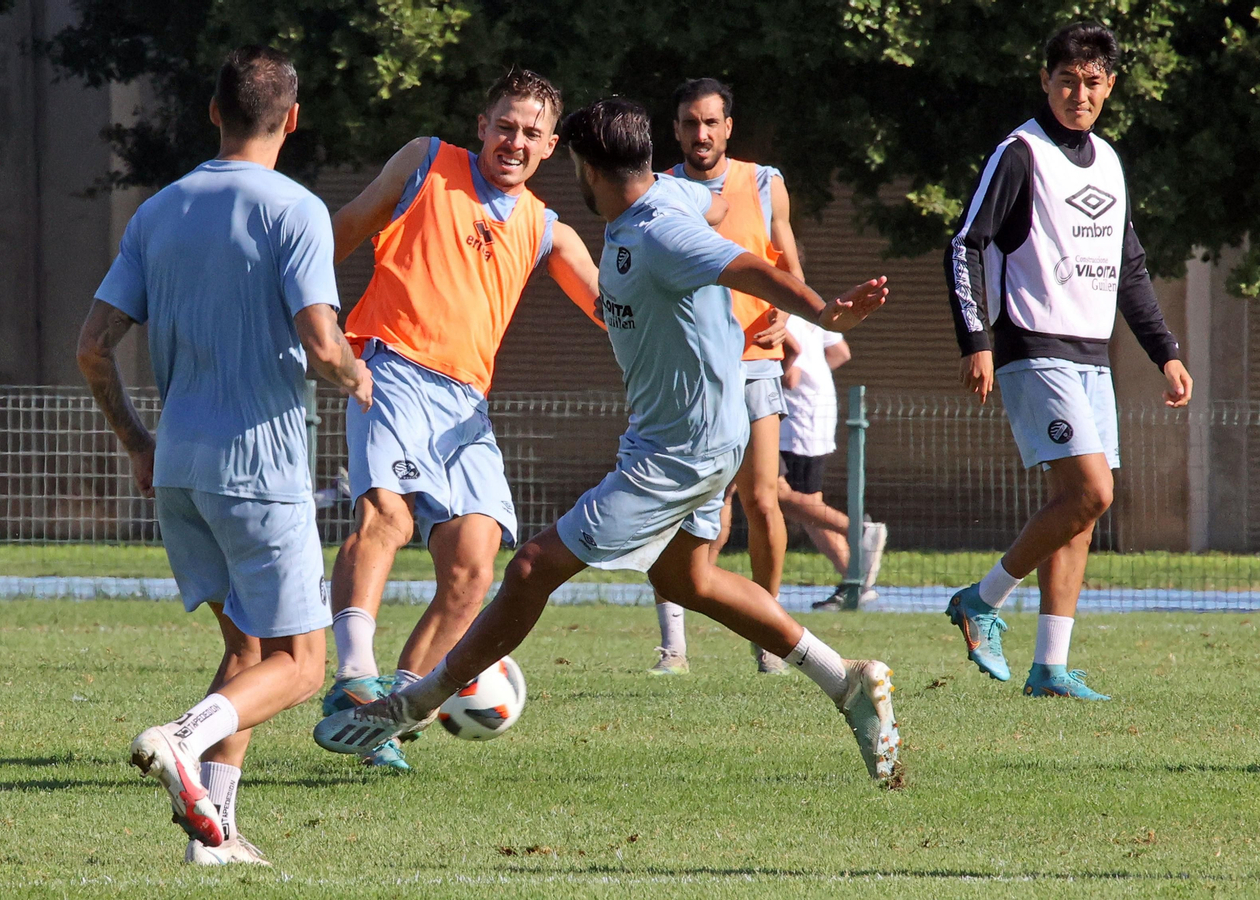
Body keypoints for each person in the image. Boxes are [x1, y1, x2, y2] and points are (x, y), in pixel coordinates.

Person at [314, 98, 903, 784]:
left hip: (677, 452)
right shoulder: (668, 197)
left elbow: (740, 263)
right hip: (701, 437)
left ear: (579, 164)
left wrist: (820, 311)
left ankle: (411, 702)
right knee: (688, 578)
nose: (518, 143)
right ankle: (846, 681)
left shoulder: (656, 232)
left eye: (537, 135)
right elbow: (710, 212)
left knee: (531, 566)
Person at [77, 47, 372, 865]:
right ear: (294, 119)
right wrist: (357, 374)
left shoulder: (158, 211)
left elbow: (93, 348)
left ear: (214, 112)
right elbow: (320, 342)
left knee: (247, 652)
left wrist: (138, 441)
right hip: (261, 472)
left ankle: (216, 836)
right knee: (304, 665)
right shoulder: (297, 209)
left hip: (179, 468)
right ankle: (183, 735)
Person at [320, 69, 603, 771]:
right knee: (388, 515)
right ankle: (355, 676)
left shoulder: (548, 229)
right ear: (482, 124)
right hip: (392, 367)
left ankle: (391, 714)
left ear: (550, 146)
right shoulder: (425, 162)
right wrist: (305, 319)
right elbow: (345, 227)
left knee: (475, 567)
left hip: (466, 406)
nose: (515, 140)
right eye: (505, 125)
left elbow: (614, 311)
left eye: (531, 133)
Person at [944, 22, 1192, 700]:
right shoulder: (1020, 153)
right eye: (1066, 79)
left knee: (1078, 513)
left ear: (1109, 86)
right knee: (1092, 493)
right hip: (1032, 345)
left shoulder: (1109, 163)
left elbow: (1129, 269)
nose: (1078, 93)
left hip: (1091, 355)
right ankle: (982, 600)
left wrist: (1165, 352)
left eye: (1092, 82)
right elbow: (964, 245)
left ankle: (1049, 666)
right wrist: (977, 341)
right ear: (1045, 80)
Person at [650, 78, 798, 676]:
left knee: (762, 499)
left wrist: (787, 314)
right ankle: (674, 646)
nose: (701, 133)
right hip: (689, 370)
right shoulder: (661, 190)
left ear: (728, 127)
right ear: (677, 127)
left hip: (754, 363)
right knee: (686, 504)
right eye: (690, 122)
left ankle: (768, 635)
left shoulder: (764, 182)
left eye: (711, 122)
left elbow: (784, 257)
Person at [774, 316, 889, 611]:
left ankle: (860, 530)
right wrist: (816, 377)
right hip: (814, 413)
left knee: (785, 498)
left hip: (796, 421)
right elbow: (841, 352)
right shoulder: (805, 308)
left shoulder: (775, 312)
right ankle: (855, 582)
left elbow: (791, 375)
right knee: (807, 509)